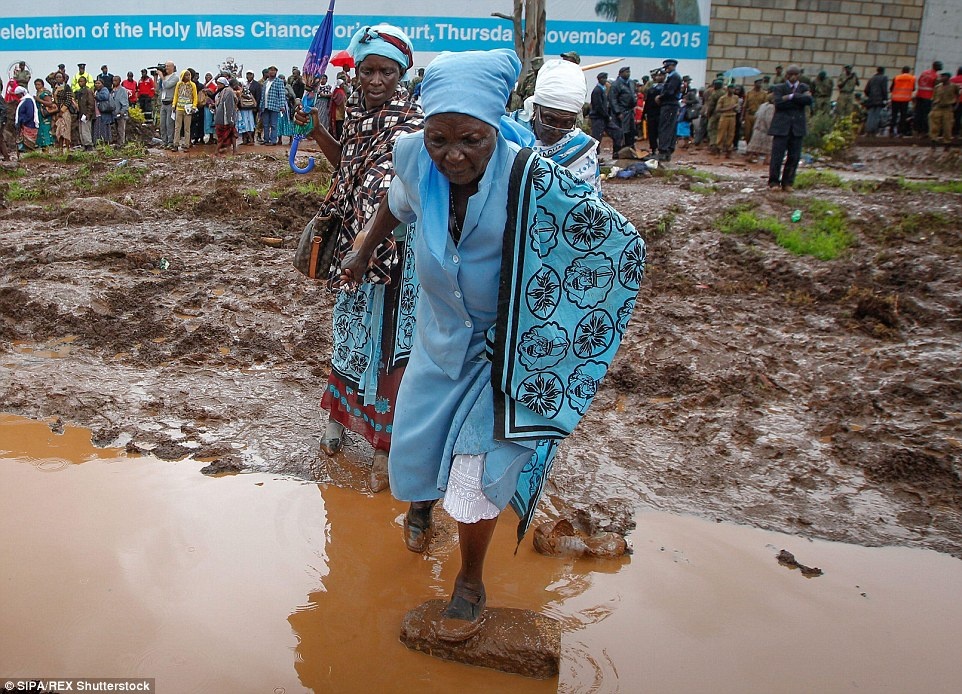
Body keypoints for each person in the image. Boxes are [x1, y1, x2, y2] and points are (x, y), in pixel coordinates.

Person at [340, 48, 642, 641]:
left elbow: (613, 243)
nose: (453, 155)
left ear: (496, 129)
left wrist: (565, 322)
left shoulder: (532, 176)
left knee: (477, 466)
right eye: (439, 138)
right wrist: (359, 250)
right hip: (437, 333)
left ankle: (469, 581)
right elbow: (395, 207)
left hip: (502, 346)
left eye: (471, 140)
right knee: (418, 451)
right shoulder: (415, 159)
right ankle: (424, 505)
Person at [293, 23, 423, 493]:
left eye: (386, 72)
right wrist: (317, 130)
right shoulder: (361, 116)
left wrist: (368, 246)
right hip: (354, 248)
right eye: (367, 71)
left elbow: (401, 192)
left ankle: (385, 446)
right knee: (349, 333)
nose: (375, 81)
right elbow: (347, 163)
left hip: (395, 257)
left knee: (390, 345)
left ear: (401, 73)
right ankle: (339, 422)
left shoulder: (413, 122)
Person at [508, 58, 600, 193]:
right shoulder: (508, 133)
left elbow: (591, 203)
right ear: (535, 108)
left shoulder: (582, 149)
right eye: (549, 120)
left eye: (567, 123)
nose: (556, 131)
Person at [768, 65, 812, 193]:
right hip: (781, 128)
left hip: (797, 128)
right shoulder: (779, 88)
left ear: (799, 75)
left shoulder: (804, 87)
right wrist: (797, 99)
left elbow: (808, 100)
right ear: (786, 75)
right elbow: (779, 103)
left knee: (794, 157)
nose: (793, 77)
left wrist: (791, 97)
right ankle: (774, 182)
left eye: (795, 74)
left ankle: (787, 182)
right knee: (777, 156)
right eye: (790, 74)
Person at [588, 72, 622, 156]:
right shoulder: (597, 90)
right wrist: (607, 116)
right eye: (603, 78)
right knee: (596, 138)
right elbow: (598, 106)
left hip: (604, 118)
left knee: (617, 132)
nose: (605, 80)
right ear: (599, 79)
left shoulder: (603, 89)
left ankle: (616, 152)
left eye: (605, 78)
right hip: (598, 118)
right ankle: (595, 156)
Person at [656, 58, 681, 161]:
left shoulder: (674, 77)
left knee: (665, 128)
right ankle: (667, 150)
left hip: (669, 105)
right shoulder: (673, 77)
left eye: (667, 67)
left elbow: (669, 92)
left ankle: (664, 150)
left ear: (673, 66)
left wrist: (660, 97)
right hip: (671, 105)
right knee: (669, 127)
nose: (666, 69)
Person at [929, 72, 960, 145]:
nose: (941, 78)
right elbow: (933, 98)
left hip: (948, 108)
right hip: (937, 107)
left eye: (943, 76)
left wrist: (956, 106)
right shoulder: (937, 87)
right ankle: (934, 140)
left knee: (947, 126)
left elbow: (957, 96)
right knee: (934, 125)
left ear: (948, 77)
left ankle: (947, 142)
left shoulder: (954, 86)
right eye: (941, 76)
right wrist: (933, 107)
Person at [610, 66, 637, 149]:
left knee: (631, 130)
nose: (628, 74)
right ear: (620, 73)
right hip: (621, 111)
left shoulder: (631, 82)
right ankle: (617, 150)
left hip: (630, 110)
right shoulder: (616, 84)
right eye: (626, 72)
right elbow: (613, 99)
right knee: (620, 132)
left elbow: (633, 95)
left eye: (629, 72)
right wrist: (618, 112)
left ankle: (630, 148)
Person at [746, 89, 775, 164]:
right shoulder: (771, 107)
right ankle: (767, 160)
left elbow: (756, 115)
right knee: (768, 147)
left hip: (757, 127)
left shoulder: (763, 105)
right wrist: (771, 129)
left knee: (754, 144)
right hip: (765, 129)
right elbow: (769, 119)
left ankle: (750, 157)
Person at [171, 70, 198, 152]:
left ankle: (186, 145)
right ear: (182, 76)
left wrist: (194, 106)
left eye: (188, 75)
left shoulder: (192, 85)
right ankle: (175, 144)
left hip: (188, 109)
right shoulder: (179, 84)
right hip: (179, 108)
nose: (187, 77)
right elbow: (176, 95)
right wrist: (173, 105)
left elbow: (195, 96)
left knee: (187, 128)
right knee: (177, 127)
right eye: (185, 75)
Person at [260, 66, 286, 146]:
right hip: (265, 106)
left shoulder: (279, 82)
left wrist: (282, 105)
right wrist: (260, 106)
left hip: (274, 105)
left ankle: (273, 140)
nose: (272, 72)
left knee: (274, 124)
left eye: (273, 70)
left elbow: (281, 94)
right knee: (265, 124)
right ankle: (266, 139)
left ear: (276, 72)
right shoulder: (265, 82)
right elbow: (263, 95)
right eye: (270, 70)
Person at [915, 60, 942, 135]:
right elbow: (937, 87)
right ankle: (924, 131)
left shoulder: (924, 73)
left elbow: (919, 81)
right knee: (926, 114)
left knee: (918, 113)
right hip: (928, 97)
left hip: (919, 95)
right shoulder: (936, 76)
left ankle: (917, 129)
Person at [213, 77, 239, 156]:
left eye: (219, 84)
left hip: (224, 117)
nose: (218, 86)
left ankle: (234, 150)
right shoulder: (228, 92)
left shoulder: (225, 92)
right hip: (225, 118)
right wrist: (230, 119)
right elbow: (229, 107)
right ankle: (217, 151)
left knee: (232, 134)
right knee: (224, 136)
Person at [157, 62, 179, 149]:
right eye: (165, 66)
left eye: (167, 66)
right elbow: (158, 88)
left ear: (172, 67)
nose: (166, 68)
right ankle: (164, 141)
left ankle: (170, 142)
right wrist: (156, 78)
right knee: (162, 124)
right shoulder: (164, 77)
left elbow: (167, 85)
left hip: (170, 103)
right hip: (163, 103)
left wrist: (162, 77)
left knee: (169, 124)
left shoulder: (175, 78)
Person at [642, 69, 665, 154]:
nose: (659, 77)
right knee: (652, 132)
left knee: (661, 132)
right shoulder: (651, 88)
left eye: (661, 75)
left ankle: (662, 149)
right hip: (652, 113)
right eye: (657, 76)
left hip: (661, 113)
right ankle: (653, 148)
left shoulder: (666, 88)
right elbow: (647, 102)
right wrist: (644, 113)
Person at [889, 66, 915, 136]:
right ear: (909, 71)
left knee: (894, 115)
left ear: (902, 71)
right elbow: (913, 89)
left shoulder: (896, 77)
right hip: (905, 99)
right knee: (903, 116)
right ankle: (901, 132)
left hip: (895, 99)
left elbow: (891, 88)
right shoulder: (912, 78)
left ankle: (891, 131)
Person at [714, 83, 738, 158]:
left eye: (733, 89)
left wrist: (736, 109)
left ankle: (728, 151)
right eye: (731, 89)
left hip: (733, 117)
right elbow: (718, 109)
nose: (732, 90)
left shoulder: (736, 98)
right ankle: (718, 151)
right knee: (721, 134)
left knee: (731, 135)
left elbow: (737, 108)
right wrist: (730, 108)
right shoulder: (722, 98)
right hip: (724, 117)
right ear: (727, 89)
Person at [13, 86, 39, 153]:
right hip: (24, 124)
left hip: (29, 124)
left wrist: (23, 121)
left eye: (17, 95)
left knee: (28, 143)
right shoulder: (23, 100)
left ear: (21, 94)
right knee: (23, 143)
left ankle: (30, 157)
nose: (17, 96)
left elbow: (30, 113)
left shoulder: (28, 101)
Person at [864, 67, 888, 135]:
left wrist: (870, 96)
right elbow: (884, 89)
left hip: (871, 100)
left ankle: (868, 130)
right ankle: (874, 131)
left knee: (870, 115)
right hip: (879, 100)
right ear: (883, 71)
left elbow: (866, 90)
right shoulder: (884, 78)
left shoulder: (872, 78)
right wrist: (885, 99)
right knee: (876, 116)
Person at [33, 79, 55, 151]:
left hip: (45, 114)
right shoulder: (38, 93)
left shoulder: (45, 93)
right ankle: (43, 148)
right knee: (41, 129)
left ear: (42, 85)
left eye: (38, 84)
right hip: (39, 114)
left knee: (45, 129)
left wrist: (39, 100)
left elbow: (50, 103)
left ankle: (47, 147)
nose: (37, 86)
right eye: (36, 85)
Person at [75, 76, 96, 151]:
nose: (80, 83)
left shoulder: (88, 91)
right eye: (79, 82)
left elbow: (91, 103)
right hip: (81, 114)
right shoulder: (80, 91)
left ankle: (89, 145)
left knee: (86, 130)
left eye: (82, 81)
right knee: (81, 131)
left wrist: (88, 114)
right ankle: (85, 145)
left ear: (85, 82)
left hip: (86, 114)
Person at [109, 75, 130, 146]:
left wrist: (122, 111)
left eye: (116, 80)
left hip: (121, 114)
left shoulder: (123, 90)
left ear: (119, 81)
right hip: (114, 114)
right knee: (116, 130)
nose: (114, 82)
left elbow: (125, 103)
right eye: (113, 80)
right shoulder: (112, 91)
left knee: (121, 130)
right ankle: (117, 144)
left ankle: (122, 144)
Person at [92, 78, 114, 145]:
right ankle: (99, 142)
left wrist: (96, 96)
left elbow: (105, 97)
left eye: (99, 83)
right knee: (98, 128)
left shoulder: (104, 90)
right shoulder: (96, 91)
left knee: (104, 128)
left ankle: (104, 141)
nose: (97, 85)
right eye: (96, 83)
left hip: (103, 113)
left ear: (102, 84)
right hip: (98, 113)